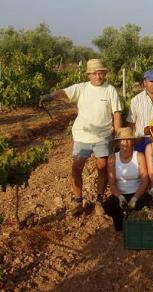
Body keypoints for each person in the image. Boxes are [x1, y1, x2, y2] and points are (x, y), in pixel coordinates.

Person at [39, 59, 122, 216]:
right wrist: (50, 96)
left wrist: (117, 134)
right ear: (89, 74)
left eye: (101, 73)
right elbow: (64, 92)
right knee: (76, 168)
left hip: (103, 136)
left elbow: (116, 113)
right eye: (94, 73)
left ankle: (99, 200)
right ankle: (78, 201)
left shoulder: (110, 90)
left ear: (104, 73)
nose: (98, 76)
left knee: (102, 167)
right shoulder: (81, 88)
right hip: (82, 135)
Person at [103, 127, 150, 231]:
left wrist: (135, 198)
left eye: (128, 140)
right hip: (120, 195)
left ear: (132, 142)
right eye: (122, 140)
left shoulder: (139, 156)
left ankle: (136, 219)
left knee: (147, 204)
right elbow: (112, 183)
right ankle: (122, 219)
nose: (125, 143)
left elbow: (145, 180)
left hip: (137, 194)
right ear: (118, 143)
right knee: (108, 206)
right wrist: (120, 197)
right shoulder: (112, 158)